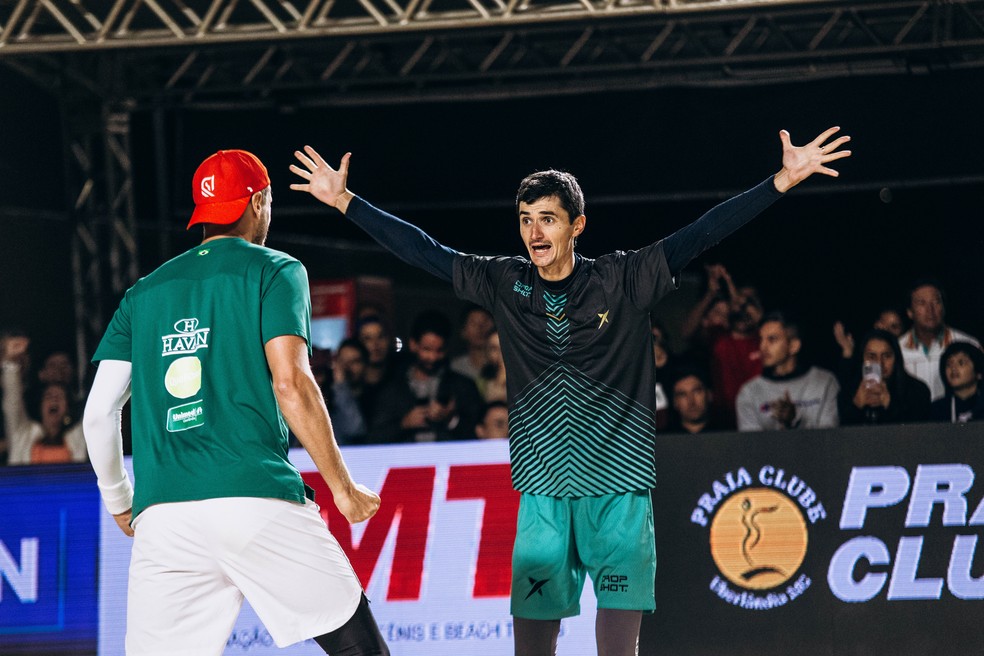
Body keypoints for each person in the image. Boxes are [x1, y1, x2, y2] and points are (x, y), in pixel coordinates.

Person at [290, 126, 851, 656]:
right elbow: (425, 252)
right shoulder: (503, 283)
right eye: (526, 219)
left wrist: (779, 182)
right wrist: (346, 202)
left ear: (577, 226)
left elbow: (703, 234)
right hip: (543, 494)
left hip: (620, 490)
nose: (535, 233)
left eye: (549, 220)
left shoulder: (624, 278)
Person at [82, 149, 389, 656]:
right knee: (361, 650)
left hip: (164, 517)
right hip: (254, 497)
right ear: (260, 201)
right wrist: (344, 489)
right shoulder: (276, 269)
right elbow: (290, 384)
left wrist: (120, 500)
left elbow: (98, 414)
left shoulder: (143, 293)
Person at [368, 309, 484, 443]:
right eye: (427, 349)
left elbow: (480, 435)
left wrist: (451, 420)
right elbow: (373, 438)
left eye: (439, 350)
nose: (433, 357)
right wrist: (404, 424)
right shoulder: (391, 389)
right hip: (405, 462)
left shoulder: (463, 387)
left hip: (449, 461)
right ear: (413, 344)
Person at [736, 311, 840, 431]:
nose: (762, 347)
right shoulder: (749, 392)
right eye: (761, 339)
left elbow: (830, 439)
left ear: (793, 346)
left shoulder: (824, 382)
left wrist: (795, 419)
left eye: (772, 339)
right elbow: (751, 445)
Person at [2, 334, 87, 465]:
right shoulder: (22, 434)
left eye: (59, 397)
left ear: (68, 407)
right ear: (40, 406)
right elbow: (12, 403)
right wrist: (11, 362)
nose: (54, 400)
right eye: (48, 396)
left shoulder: (80, 436)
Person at [898, 280, 980, 401]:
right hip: (913, 419)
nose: (930, 309)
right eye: (922, 303)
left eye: (936, 302)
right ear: (910, 312)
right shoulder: (897, 349)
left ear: (944, 308)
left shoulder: (969, 344)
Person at [838, 329, 931, 425]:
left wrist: (890, 405)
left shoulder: (917, 391)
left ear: (896, 358)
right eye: (872, 356)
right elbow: (841, 435)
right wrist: (856, 406)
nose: (879, 363)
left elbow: (917, 434)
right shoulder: (849, 391)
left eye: (886, 356)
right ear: (862, 359)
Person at [327, 338, 372, 445]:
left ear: (365, 364)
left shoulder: (375, 397)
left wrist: (341, 387)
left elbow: (355, 429)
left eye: (354, 362)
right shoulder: (326, 396)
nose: (346, 368)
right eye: (342, 361)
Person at [930, 342, 984, 423]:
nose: (953, 368)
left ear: (978, 373)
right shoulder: (936, 410)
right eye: (949, 364)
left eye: (961, 363)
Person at [450, 305, 495, 385]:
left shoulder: (503, 366)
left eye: (485, 321)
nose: (480, 327)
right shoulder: (455, 367)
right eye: (474, 323)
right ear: (463, 331)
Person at [667, 366, 717, 434]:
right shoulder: (659, 439)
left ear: (709, 395)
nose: (691, 402)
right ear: (674, 402)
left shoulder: (729, 433)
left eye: (696, 391)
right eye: (682, 394)